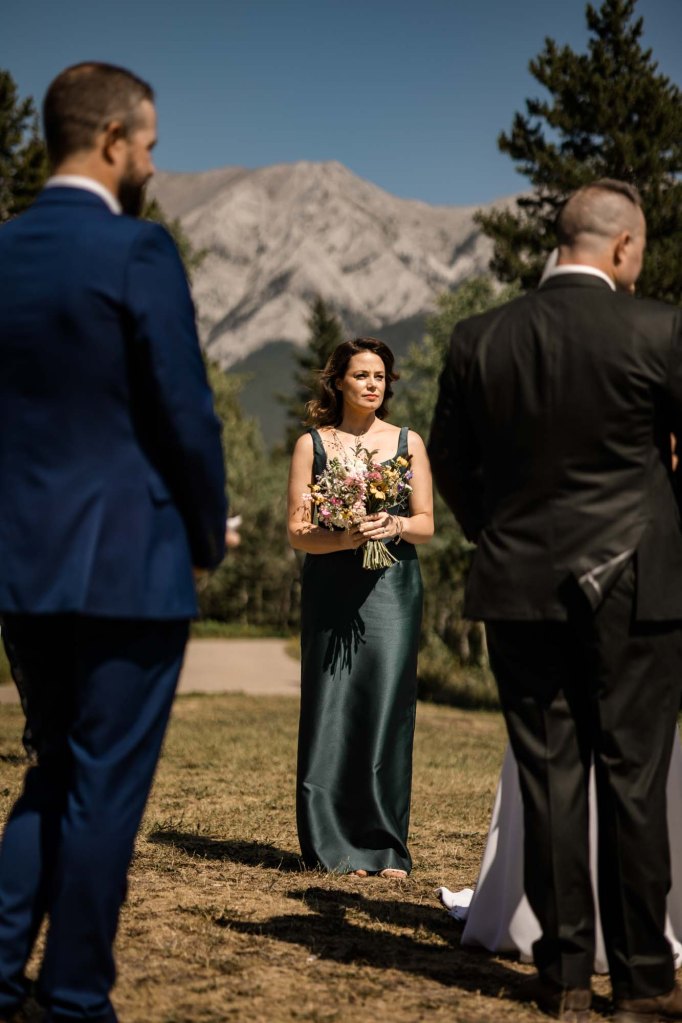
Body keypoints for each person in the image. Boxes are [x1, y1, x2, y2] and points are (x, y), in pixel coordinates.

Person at [0, 63, 226, 1023]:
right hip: (129, 562)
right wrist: (208, 532)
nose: (152, 163)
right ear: (110, 142)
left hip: (21, 563)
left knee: (51, 768)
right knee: (103, 789)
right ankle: (75, 998)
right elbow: (186, 409)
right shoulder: (138, 250)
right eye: (149, 145)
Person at [428, 179, 682, 1022]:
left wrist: (497, 534)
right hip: (638, 587)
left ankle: (564, 974)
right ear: (623, 246)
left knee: (549, 779)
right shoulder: (659, 329)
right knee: (634, 781)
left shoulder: (480, 338)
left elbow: (449, 460)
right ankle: (644, 980)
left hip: (520, 583)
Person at [287, 337, 433, 878]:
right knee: (331, 707)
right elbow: (298, 532)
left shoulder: (408, 442)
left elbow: (427, 524)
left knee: (387, 707)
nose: (372, 384)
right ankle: (329, 842)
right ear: (339, 382)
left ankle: (384, 845)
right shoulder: (312, 445)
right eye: (361, 375)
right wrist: (344, 538)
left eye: (380, 376)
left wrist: (394, 523)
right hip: (332, 588)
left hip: (394, 589)